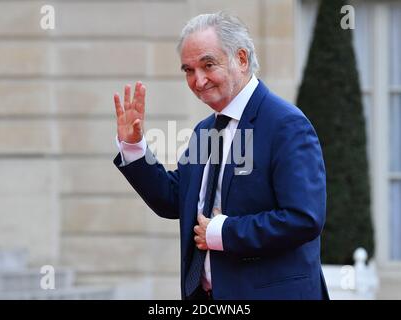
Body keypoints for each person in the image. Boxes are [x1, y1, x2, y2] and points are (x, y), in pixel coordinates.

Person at [113, 12, 329, 300]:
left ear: (241, 59)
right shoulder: (206, 129)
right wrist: (133, 147)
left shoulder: (286, 123)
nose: (198, 80)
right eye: (188, 70)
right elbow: (175, 199)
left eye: (208, 65)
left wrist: (225, 232)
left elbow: (304, 218)